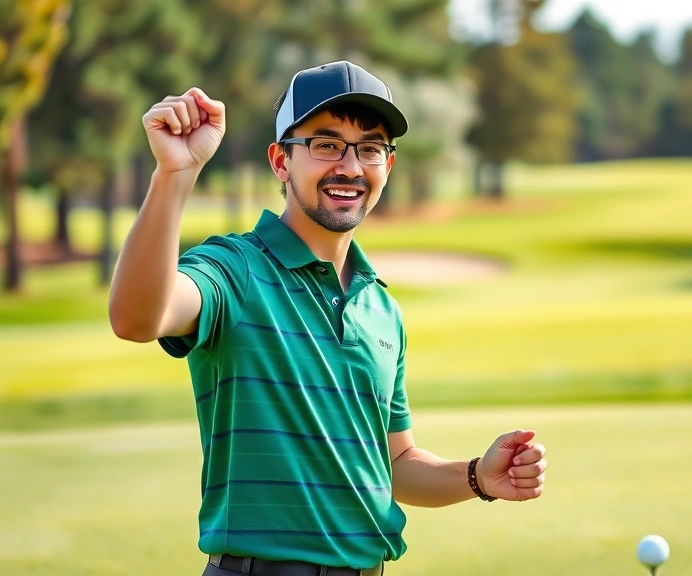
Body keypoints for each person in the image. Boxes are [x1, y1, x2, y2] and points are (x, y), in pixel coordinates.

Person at [108, 60, 547, 576]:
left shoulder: (380, 308)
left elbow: (394, 464)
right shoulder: (234, 268)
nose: (350, 167)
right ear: (281, 161)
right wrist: (174, 174)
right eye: (326, 144)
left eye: (370, 148)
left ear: (388, 164)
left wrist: (476, 476)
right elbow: (138, 318)